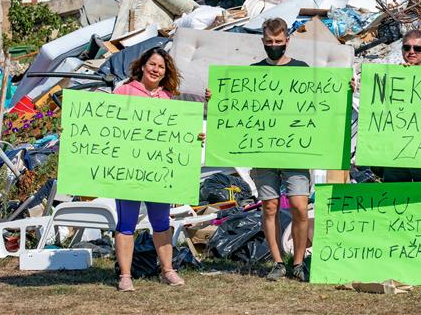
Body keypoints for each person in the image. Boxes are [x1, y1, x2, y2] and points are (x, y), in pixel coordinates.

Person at [204, 18, 311, 282]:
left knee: (299, 206)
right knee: (270, 207)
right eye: (270, 42)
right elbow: (236, 108)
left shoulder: (303, 70)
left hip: (295, 151)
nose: (274, 46)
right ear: (263, 42)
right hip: (263, 153)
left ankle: (298, 261)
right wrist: (215, 99)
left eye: (279, 41)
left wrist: (345, 91)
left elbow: (320, 103)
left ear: (288, 40)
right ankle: (277, 262)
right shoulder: (252, 74)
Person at [112, 47, 201, 291]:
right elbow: (105, 127)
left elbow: (177, 134)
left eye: (161, 67)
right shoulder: (123, 92)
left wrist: (194, 137)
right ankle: (126, 276)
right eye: (152, 64)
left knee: (161, 222)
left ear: (165, 72)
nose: (155, 69)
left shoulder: (168, 99)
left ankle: (168, 271)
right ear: (142, 66)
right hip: (128, 170)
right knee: (126, 223)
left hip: (158, 172)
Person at [381, 29, 421, 183]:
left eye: (417, 48)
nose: (411, 52)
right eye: (407, 48)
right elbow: (374, 104)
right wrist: (355, 88)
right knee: (394, 200)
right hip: (395, 152)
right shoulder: (390, 79)